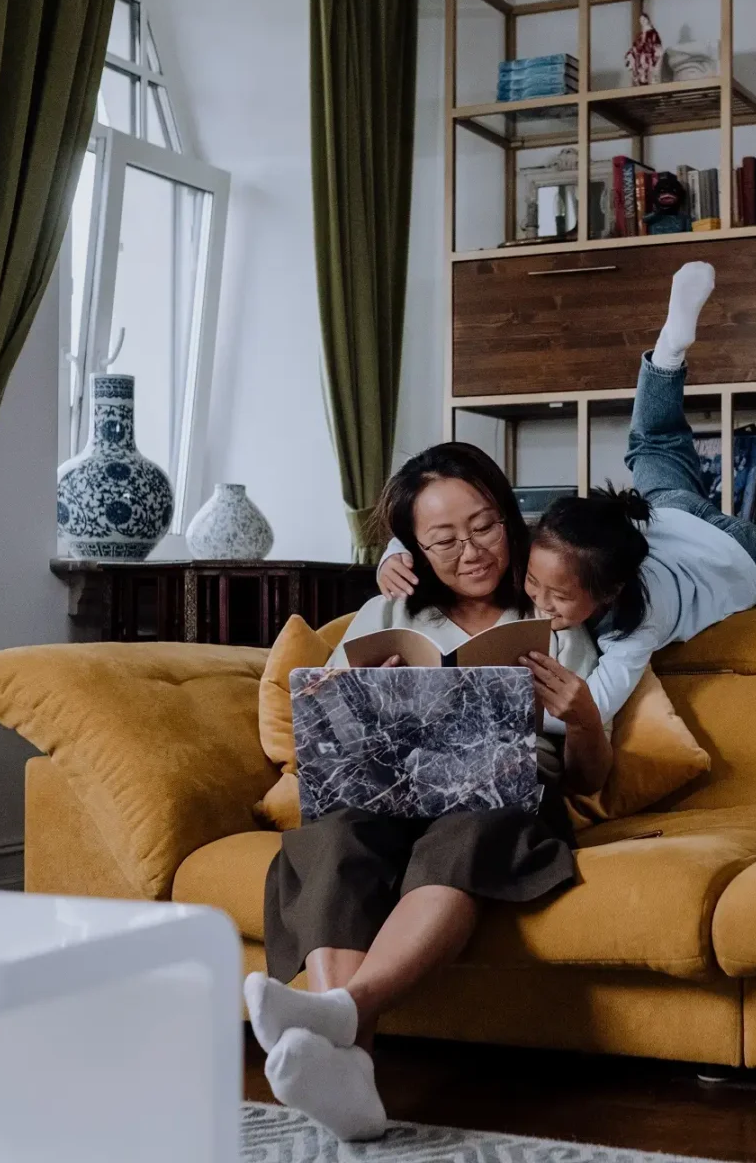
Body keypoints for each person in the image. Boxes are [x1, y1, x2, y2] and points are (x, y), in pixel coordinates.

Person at [379, 262, 756, 726]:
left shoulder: (636, 624)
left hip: (740, 557)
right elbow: (458, 533)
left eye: (559, 599)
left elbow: (595, 707)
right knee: (652, 442)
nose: (541, 603)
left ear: (607, 593)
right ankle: (668, 351)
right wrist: (395, 553)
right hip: (669, 516)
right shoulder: (547, 554)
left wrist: (501, 711)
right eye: (535, 587)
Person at [244, 442, 609, 1141]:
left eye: (485, 526)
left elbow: (590, 778)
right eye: (443, 539)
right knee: (333, 834)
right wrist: (354, 693)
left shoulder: (558, 616)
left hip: (502, 791)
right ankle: (352, 1071)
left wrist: (583, 713)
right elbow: (325, 730)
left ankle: (342, 1013)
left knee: (469, 826)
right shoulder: (389, 611)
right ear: (411, 546)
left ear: (509, 517)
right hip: (392, 785)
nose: (471, 552)